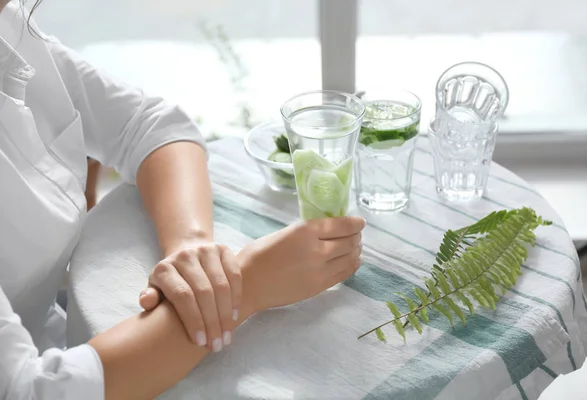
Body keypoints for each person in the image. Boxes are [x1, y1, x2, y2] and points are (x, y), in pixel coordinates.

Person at [0, 1, 365, 399]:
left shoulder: (13, 33)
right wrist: (247, 285)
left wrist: (191, 248)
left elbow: (152, 123)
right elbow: (30, 390)